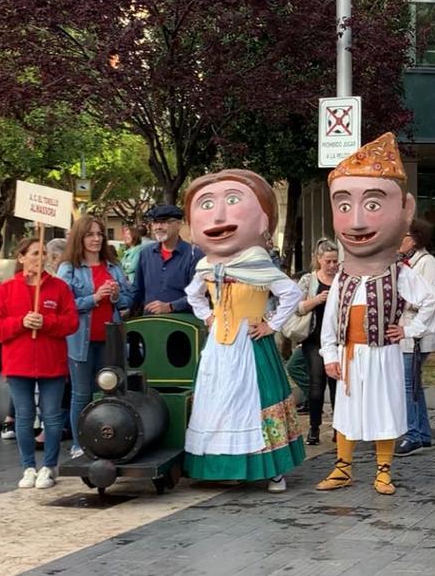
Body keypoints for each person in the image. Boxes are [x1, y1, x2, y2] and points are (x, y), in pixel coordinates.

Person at [316, 133, 435, 495]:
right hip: (351, 355)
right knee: (347, 414)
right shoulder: (343, 275)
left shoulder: (399, 273)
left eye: (372, 205)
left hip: (383, 354)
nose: (355, 223)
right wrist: (330, 354)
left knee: (384, 410)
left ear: (405, 210)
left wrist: (411, 329)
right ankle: (343, 467)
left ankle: (383, 471)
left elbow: (430, 299)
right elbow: (331, 317)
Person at [182, 169, 305, 492]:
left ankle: (273, 469)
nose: (219, 216)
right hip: (219, 349)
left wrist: (272, 324)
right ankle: (224, 464)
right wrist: (207, 316)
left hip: (250, 345)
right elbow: (193, 293)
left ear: (264, 222)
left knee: (257, 403)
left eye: (233, 201)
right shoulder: (206, 266)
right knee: (218, 403)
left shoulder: (258, 262)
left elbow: (291, 293)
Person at [0, 237, 78, 489]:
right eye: (35, 252)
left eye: (44, 252)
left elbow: (71, 323)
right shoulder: (6, 289)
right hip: (18, 363)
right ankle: (28, 466)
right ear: (21, 257)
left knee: (51, 416)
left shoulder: (59, 287)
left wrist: (46, 323)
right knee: (24, 416)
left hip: (52, 363)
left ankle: (49, 466)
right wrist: (20, 323)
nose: (41, 257)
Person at [57, 215, 134, 457]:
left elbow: (128, 300)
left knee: (111, 389)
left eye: (100, 234)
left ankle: (110, 438)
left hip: (111, 337)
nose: (96, 239)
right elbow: (63, 304)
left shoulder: (113, 266)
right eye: (90, 234)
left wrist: (115, 296)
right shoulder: (68, 267)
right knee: (82, 392)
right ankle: (80, 443)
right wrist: (95, 297)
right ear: (80, 237)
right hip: (81, 339)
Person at [396, 220, 435, 457]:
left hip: (416, 335)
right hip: (407, 332)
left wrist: (405, 305)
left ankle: (412, 433)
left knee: (408, 385)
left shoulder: (427, 264)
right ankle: (423, 433)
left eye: (402, 235)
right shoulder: (408, 263)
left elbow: (433, 299)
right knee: (414, 384)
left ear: (414, 238)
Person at [295, 238, 340, 446]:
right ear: (319, 259)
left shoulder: (342, 279)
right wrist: (317, 300)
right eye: (328, 261)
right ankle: (314, 428)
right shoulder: (308, 280)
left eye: (335, 261)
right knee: (316, 384)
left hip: (337, 340)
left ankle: (339, 429)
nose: (332, 266)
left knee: (337, 386)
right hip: (314, 339)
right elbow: (296, 307)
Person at [132, 205, 203, 316]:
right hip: (149, 324)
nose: (158, 227)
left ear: (179, 224)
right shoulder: (145, 253)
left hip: (184, 325)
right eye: (155, 222)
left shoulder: (194, 255)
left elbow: (200, 294)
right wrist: (126, 309)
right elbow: (137, 290)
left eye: (164, 222)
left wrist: (171, 306)